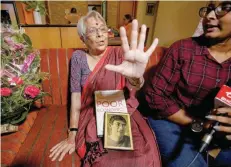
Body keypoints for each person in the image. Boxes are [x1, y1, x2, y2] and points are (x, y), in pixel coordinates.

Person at [49, 11, 161, 167]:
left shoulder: (120, 53)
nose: (100, 35)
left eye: (103, 29)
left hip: (122, 112)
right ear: (83, 39)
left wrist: (136, 77)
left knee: (143, 156)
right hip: (92, 114)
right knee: (106, 160)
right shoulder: (78, 58)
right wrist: (72, 134)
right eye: (93, 31)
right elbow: (75, 97)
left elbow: (136, 85)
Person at [145, 1, 231, 167]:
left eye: (223, 8)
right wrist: (197, 123)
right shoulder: (182, 49)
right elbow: (154, 96)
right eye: (210, 9)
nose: (210, 16)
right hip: (173, 122)